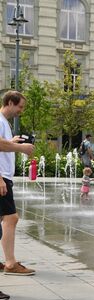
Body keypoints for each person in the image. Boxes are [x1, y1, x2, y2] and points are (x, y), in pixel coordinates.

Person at [0, 91, 36, 280]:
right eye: (20, 107)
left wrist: (11, 142)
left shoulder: (3, 122)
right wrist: (21, 148)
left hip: (4, 177)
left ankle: (8, 261)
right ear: (11, 103)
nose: (20, 111)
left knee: (4, 219)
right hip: (2, 178)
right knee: (11, 218)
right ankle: (11, 263)